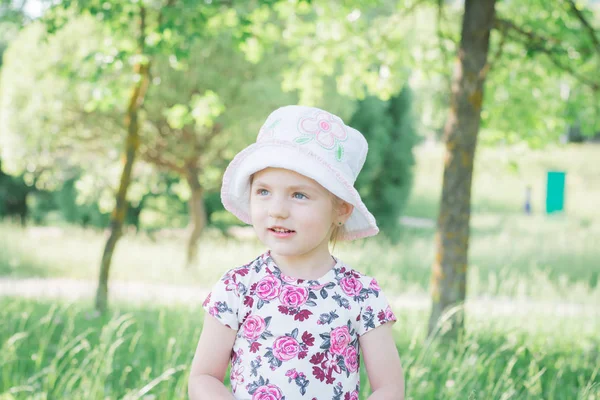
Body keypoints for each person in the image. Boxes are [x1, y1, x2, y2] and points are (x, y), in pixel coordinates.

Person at [188, 105, 404, 400]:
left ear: (340, 209)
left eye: (299, 195)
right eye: (263, 191)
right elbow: (203, 377)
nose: (277, 210)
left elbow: (389, 388)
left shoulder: (361, 294)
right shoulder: (237, 287)